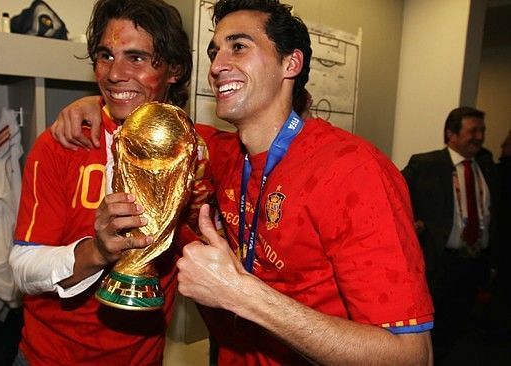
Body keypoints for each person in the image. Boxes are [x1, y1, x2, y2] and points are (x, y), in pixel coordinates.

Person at [51, 1, 435, 364]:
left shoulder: (355, 171)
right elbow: (154, 125)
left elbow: (410, 355)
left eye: (238, 47)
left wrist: (243, 295)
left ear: (291, 63)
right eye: (215, 52)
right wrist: (97, 106)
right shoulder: (221, 153)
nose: (218, 65)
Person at [8, 0, 211, 364]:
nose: (115, 74)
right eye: (105, 55)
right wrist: (97, 252)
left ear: (174, 70)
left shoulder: (197, 150)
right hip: (48, 357)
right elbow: (22, 268)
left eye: (136, 58)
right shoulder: (63, 143)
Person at [402, 106, 500, 362]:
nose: (480, 136)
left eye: (483, 131)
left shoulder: (487, 167)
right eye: (473, 131)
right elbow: (394, 193)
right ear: (451, 134)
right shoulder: (426, 164)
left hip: (473, 267)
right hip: (438, 267)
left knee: (460, 333)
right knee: (433, 335)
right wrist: (409, 223)